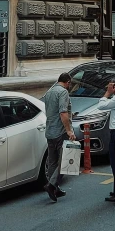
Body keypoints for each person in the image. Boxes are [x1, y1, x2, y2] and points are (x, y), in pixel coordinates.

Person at [43, 72, 76, 203]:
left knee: (52, 162)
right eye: (70, 84)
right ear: (67, 82)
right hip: (60, 132)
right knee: (66, 161)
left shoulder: (49, 92)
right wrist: (69, 131)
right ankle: (51, 185)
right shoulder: (63, 92)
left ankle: (55, 188)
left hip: (49, 131)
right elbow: (63, 112)